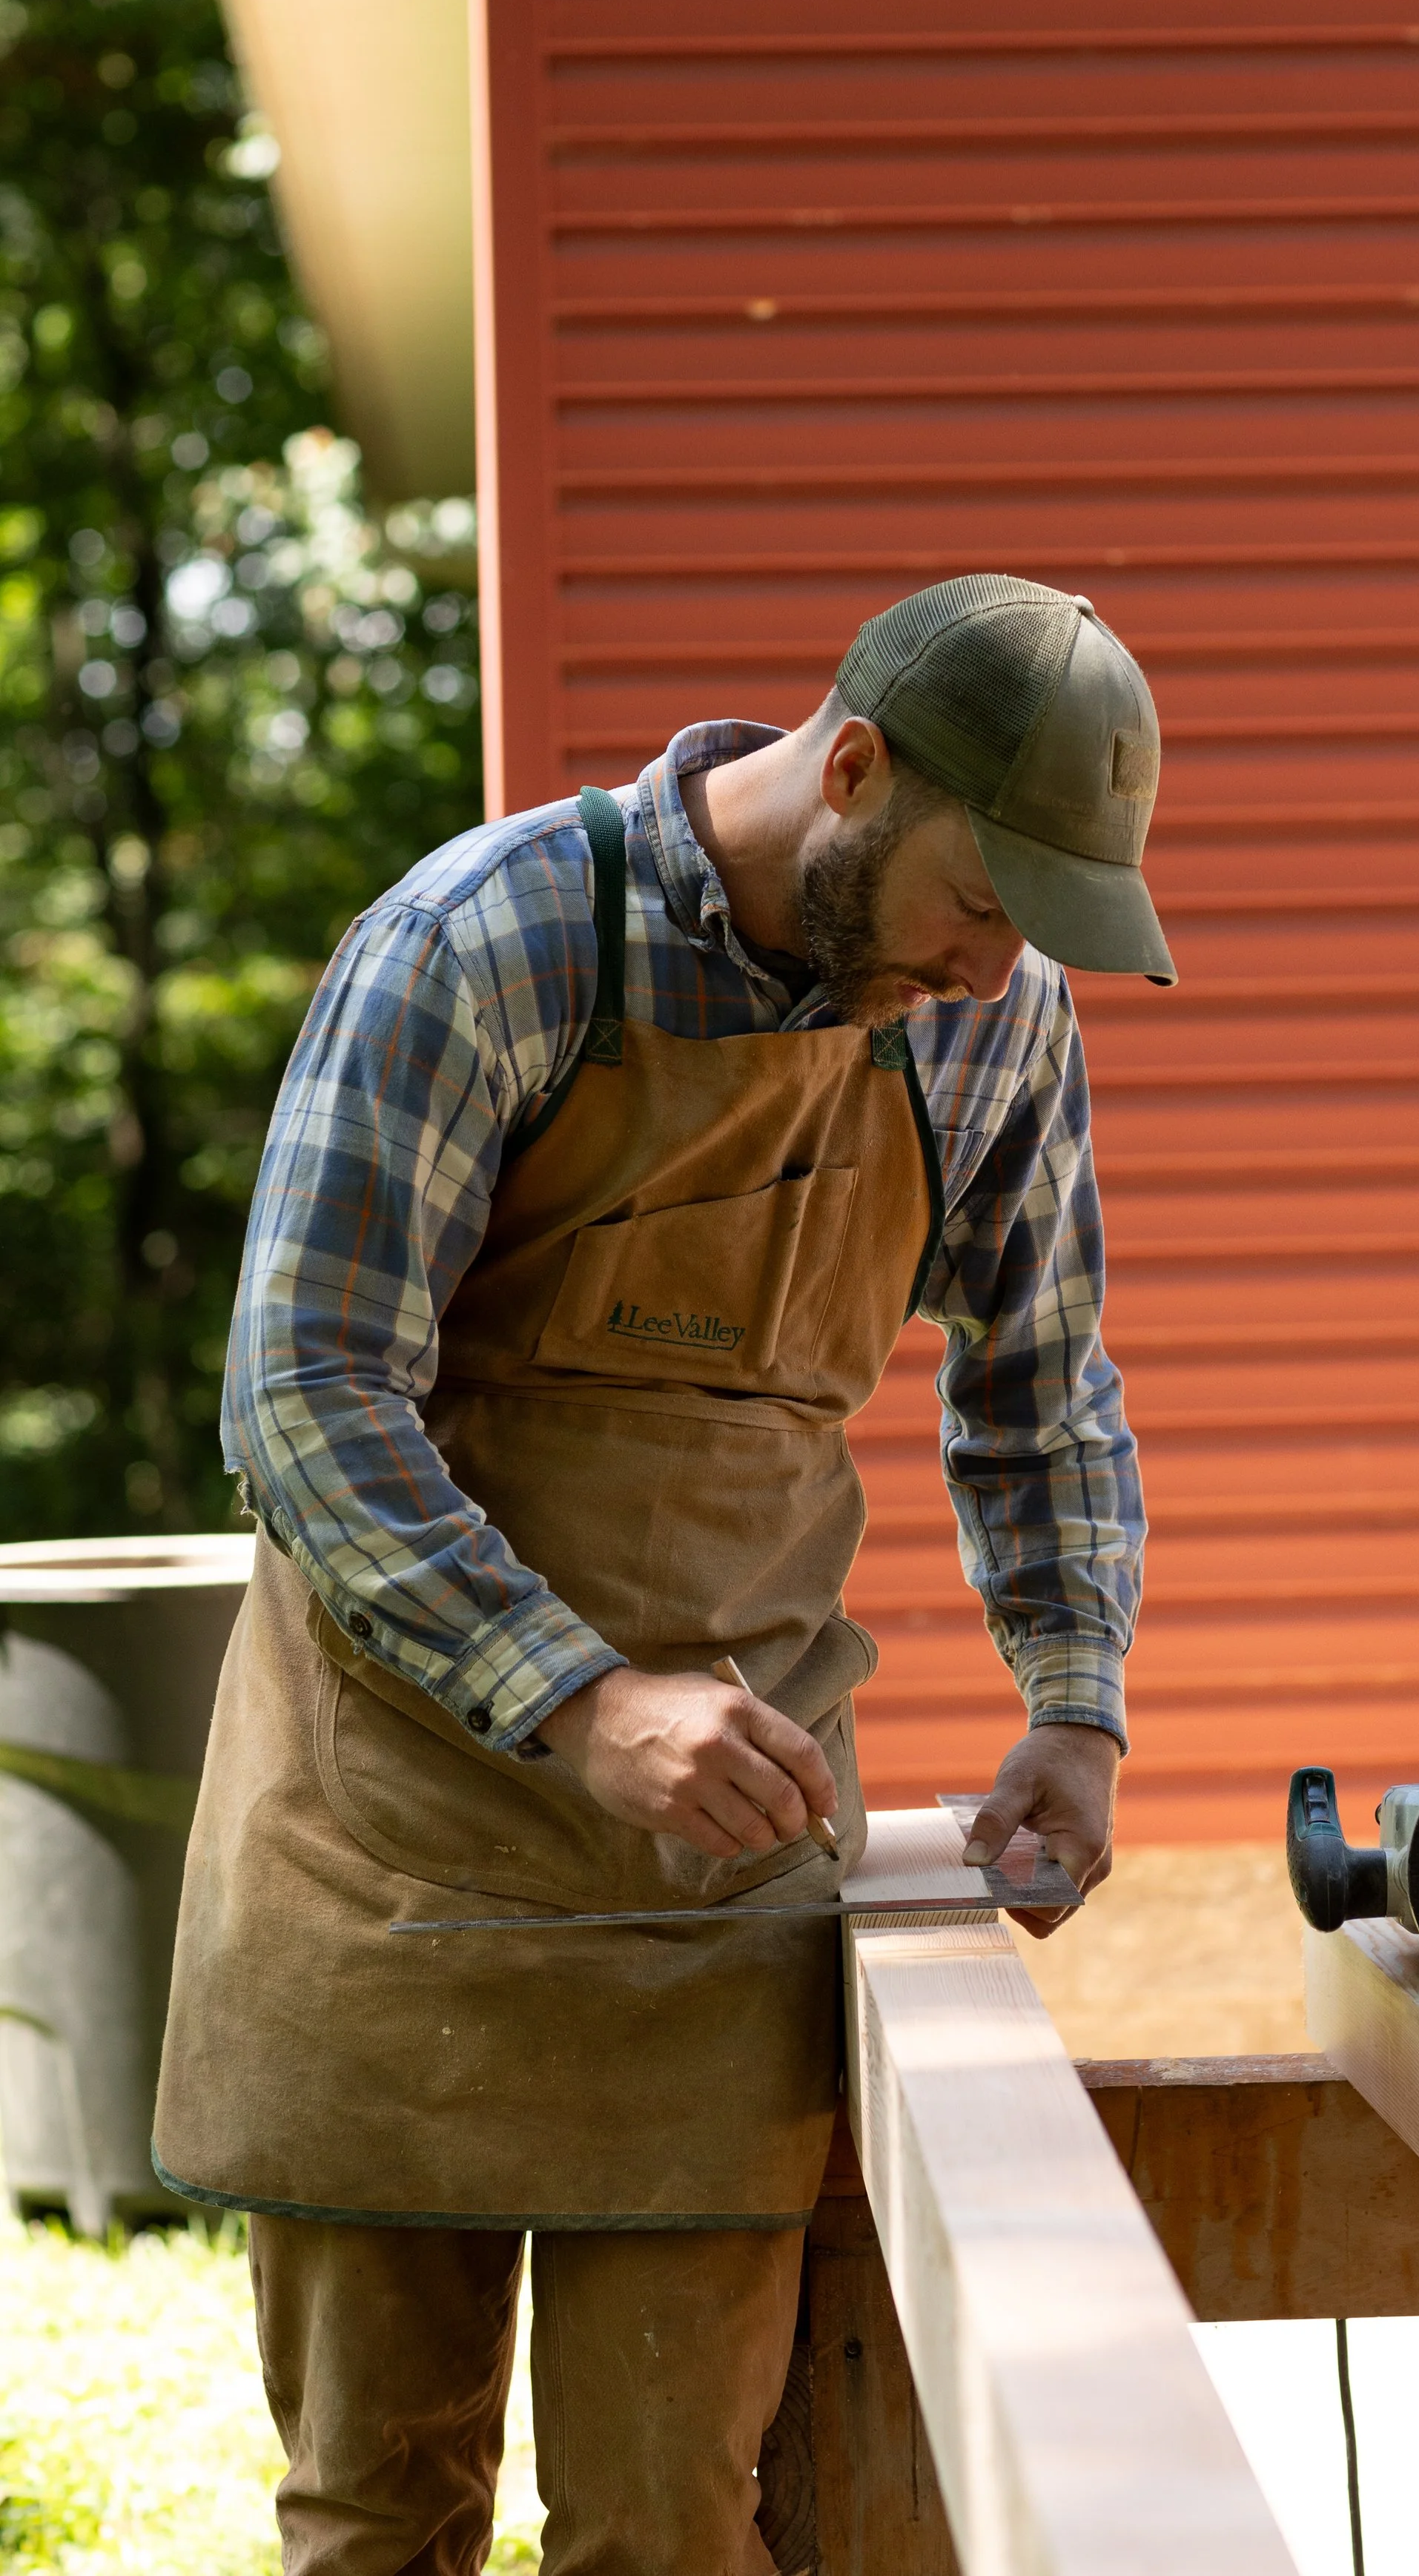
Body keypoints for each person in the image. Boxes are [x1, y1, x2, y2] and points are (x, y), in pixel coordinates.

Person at [153, 573, 1175, 2576]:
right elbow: (301, 1389)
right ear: (855, 767)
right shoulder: (490, 942)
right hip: (391, 1863)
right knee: (379, 2521)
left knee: (675, 2527)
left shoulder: (991, 1026)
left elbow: (1040, 1386)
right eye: (981, 901)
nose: (990, 968)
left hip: (722, 1900)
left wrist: (1074, 1703)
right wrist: (586, 1693)